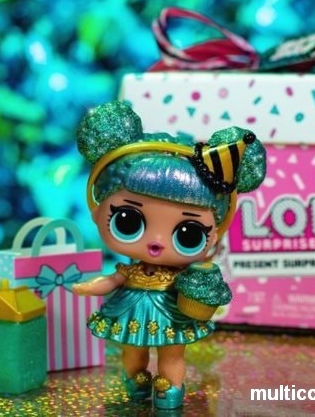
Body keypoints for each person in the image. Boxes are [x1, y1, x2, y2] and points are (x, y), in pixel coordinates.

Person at [73, 101, 266, 409]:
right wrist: (86, 287)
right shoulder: (130, 271)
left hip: (171, 311)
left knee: (172, 353)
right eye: (128, 221)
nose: (156, 243)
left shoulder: (185, 275)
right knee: (131, 350)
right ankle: (135, 380)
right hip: (131, 312)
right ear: (98, 212)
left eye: (188, 234)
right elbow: (111, 281)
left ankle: (171, 388)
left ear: (215, 232)